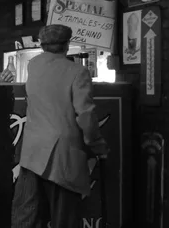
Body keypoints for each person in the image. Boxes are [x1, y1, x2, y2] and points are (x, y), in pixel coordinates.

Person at [11, 24, 109, 228]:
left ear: (42, 45)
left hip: (32, 152)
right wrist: (98, 147)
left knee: (27, 214)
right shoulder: (77, 72)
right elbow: (86, 115)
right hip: (62, 155)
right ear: (67, 45)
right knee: (64, 217)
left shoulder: (33, 65)